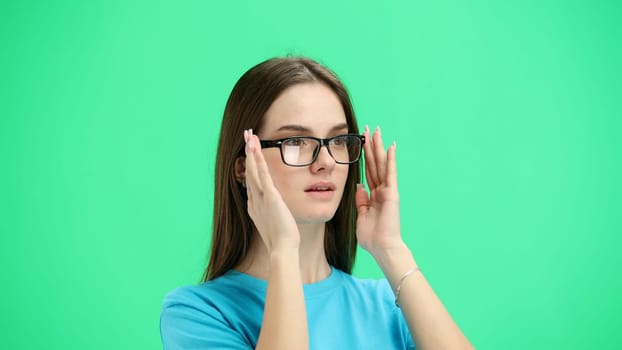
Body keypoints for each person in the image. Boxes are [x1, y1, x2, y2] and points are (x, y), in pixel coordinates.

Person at [160, 56, 474, 349]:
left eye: (338, 141)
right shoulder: (197, 313)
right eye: (295, 142)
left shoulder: (391, 305)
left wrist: (390, 249)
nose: (325, 162)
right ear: (244, 166)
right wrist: (283, 250)